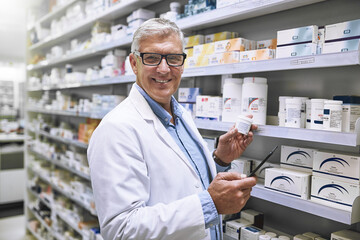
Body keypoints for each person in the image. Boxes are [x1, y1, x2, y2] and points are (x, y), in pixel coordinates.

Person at [87, 18, 257, 240]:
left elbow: (190, 186)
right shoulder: (116, 129)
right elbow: (121, 230)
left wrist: (220, 161)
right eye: (152, 58)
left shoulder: (181, 114)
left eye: (174, 58)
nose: (164, 68)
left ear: (183, 63)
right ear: (133, 63)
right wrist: (209, 205)